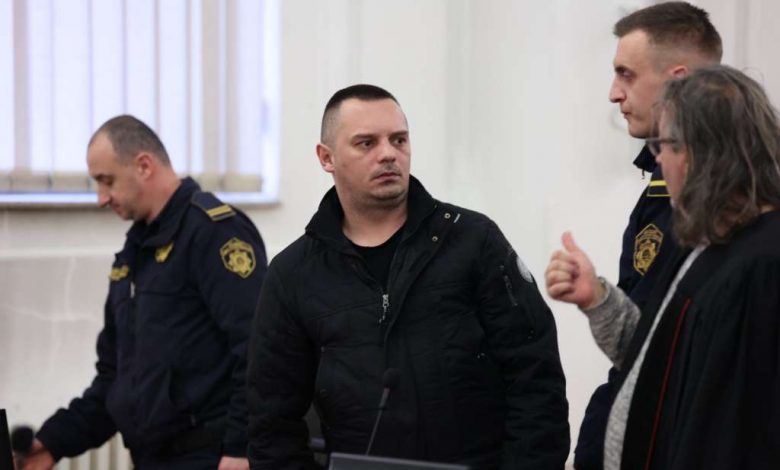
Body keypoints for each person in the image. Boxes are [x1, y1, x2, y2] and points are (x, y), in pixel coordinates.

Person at [246, 84, 570, 469]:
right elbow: (271, 422)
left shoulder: (472, 241)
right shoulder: (294, 274)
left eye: (398, 140)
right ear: (326, 157)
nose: (388, 154)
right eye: (366, 143)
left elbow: (535, 376)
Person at [547, 65, 780, 470]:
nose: (658, 159)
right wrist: (597, 298)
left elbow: (736, 430)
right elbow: (655, 361)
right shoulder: (700, 242)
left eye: (664, 145)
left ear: (702, 154)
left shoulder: (763, 268)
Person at [19, 115, 266, 470]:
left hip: (211, 456)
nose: (101, 198)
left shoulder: (213, 233)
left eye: (107, 181)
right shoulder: (134, 253)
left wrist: (241, 448)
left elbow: (259, 347)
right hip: (153, 458)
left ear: (144, 166)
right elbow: (115, 379)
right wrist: (53, 442)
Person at [575, 3, 722, 468]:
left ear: (679, 81)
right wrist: (598, 297)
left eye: (627, 74)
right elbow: (643, 346)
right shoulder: (659, 188)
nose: (613, 94)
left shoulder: (730, 212)